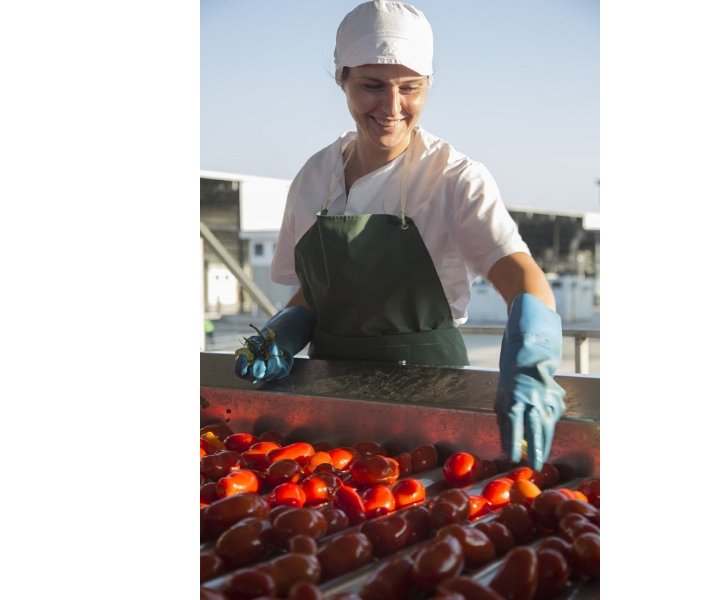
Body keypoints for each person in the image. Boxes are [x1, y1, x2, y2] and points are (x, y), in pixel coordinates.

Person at [234, 0, 565, 471]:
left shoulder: (454, 178)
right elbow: (315, 293)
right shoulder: (314, 177)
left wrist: (532, 359)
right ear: (341, 79)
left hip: (433, 398)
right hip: (327, 400)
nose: (392, 108)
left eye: (410, 88)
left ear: (429, 85)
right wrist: (283, 331)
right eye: (371, 86)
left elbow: (518, 272)